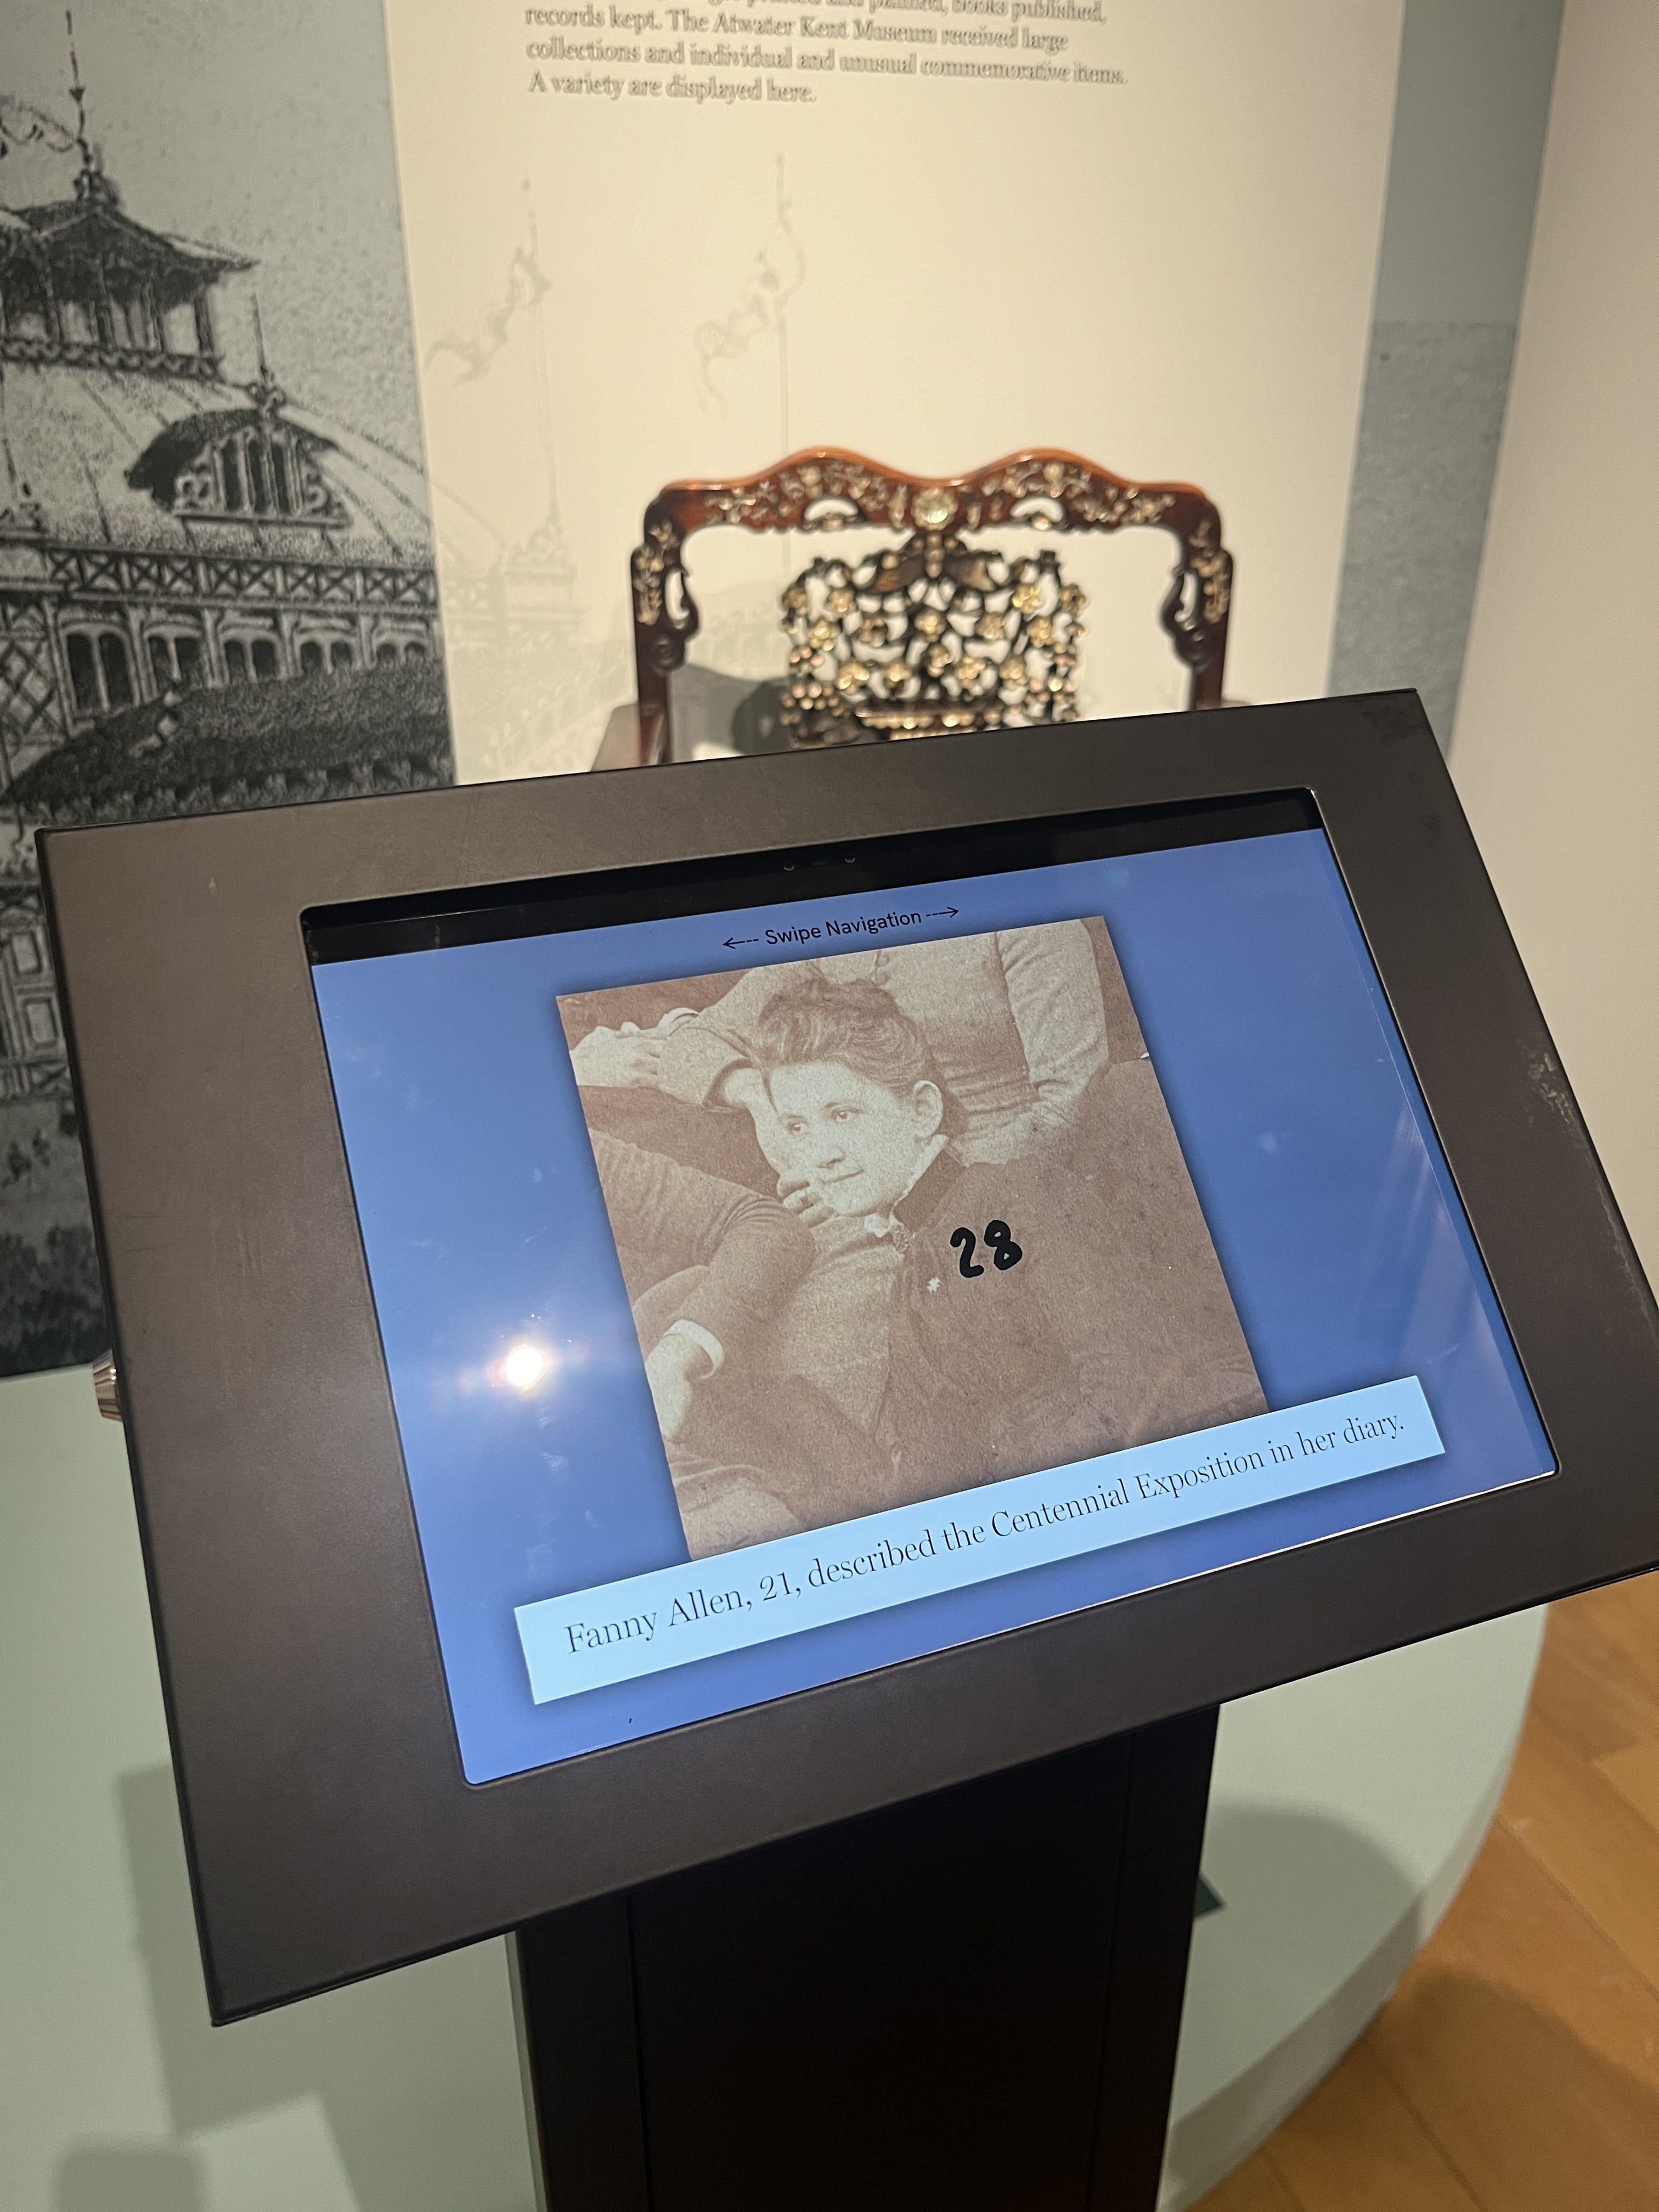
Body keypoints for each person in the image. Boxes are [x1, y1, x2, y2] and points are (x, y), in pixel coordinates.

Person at [748, 978, 1266, 1508]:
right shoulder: (911, 1278)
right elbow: (940, 1475)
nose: (820, 1154)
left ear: (923, 1111)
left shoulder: (1016, 1196)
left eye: (842, 1115)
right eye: (797, 1127)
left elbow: (1139, 1389)